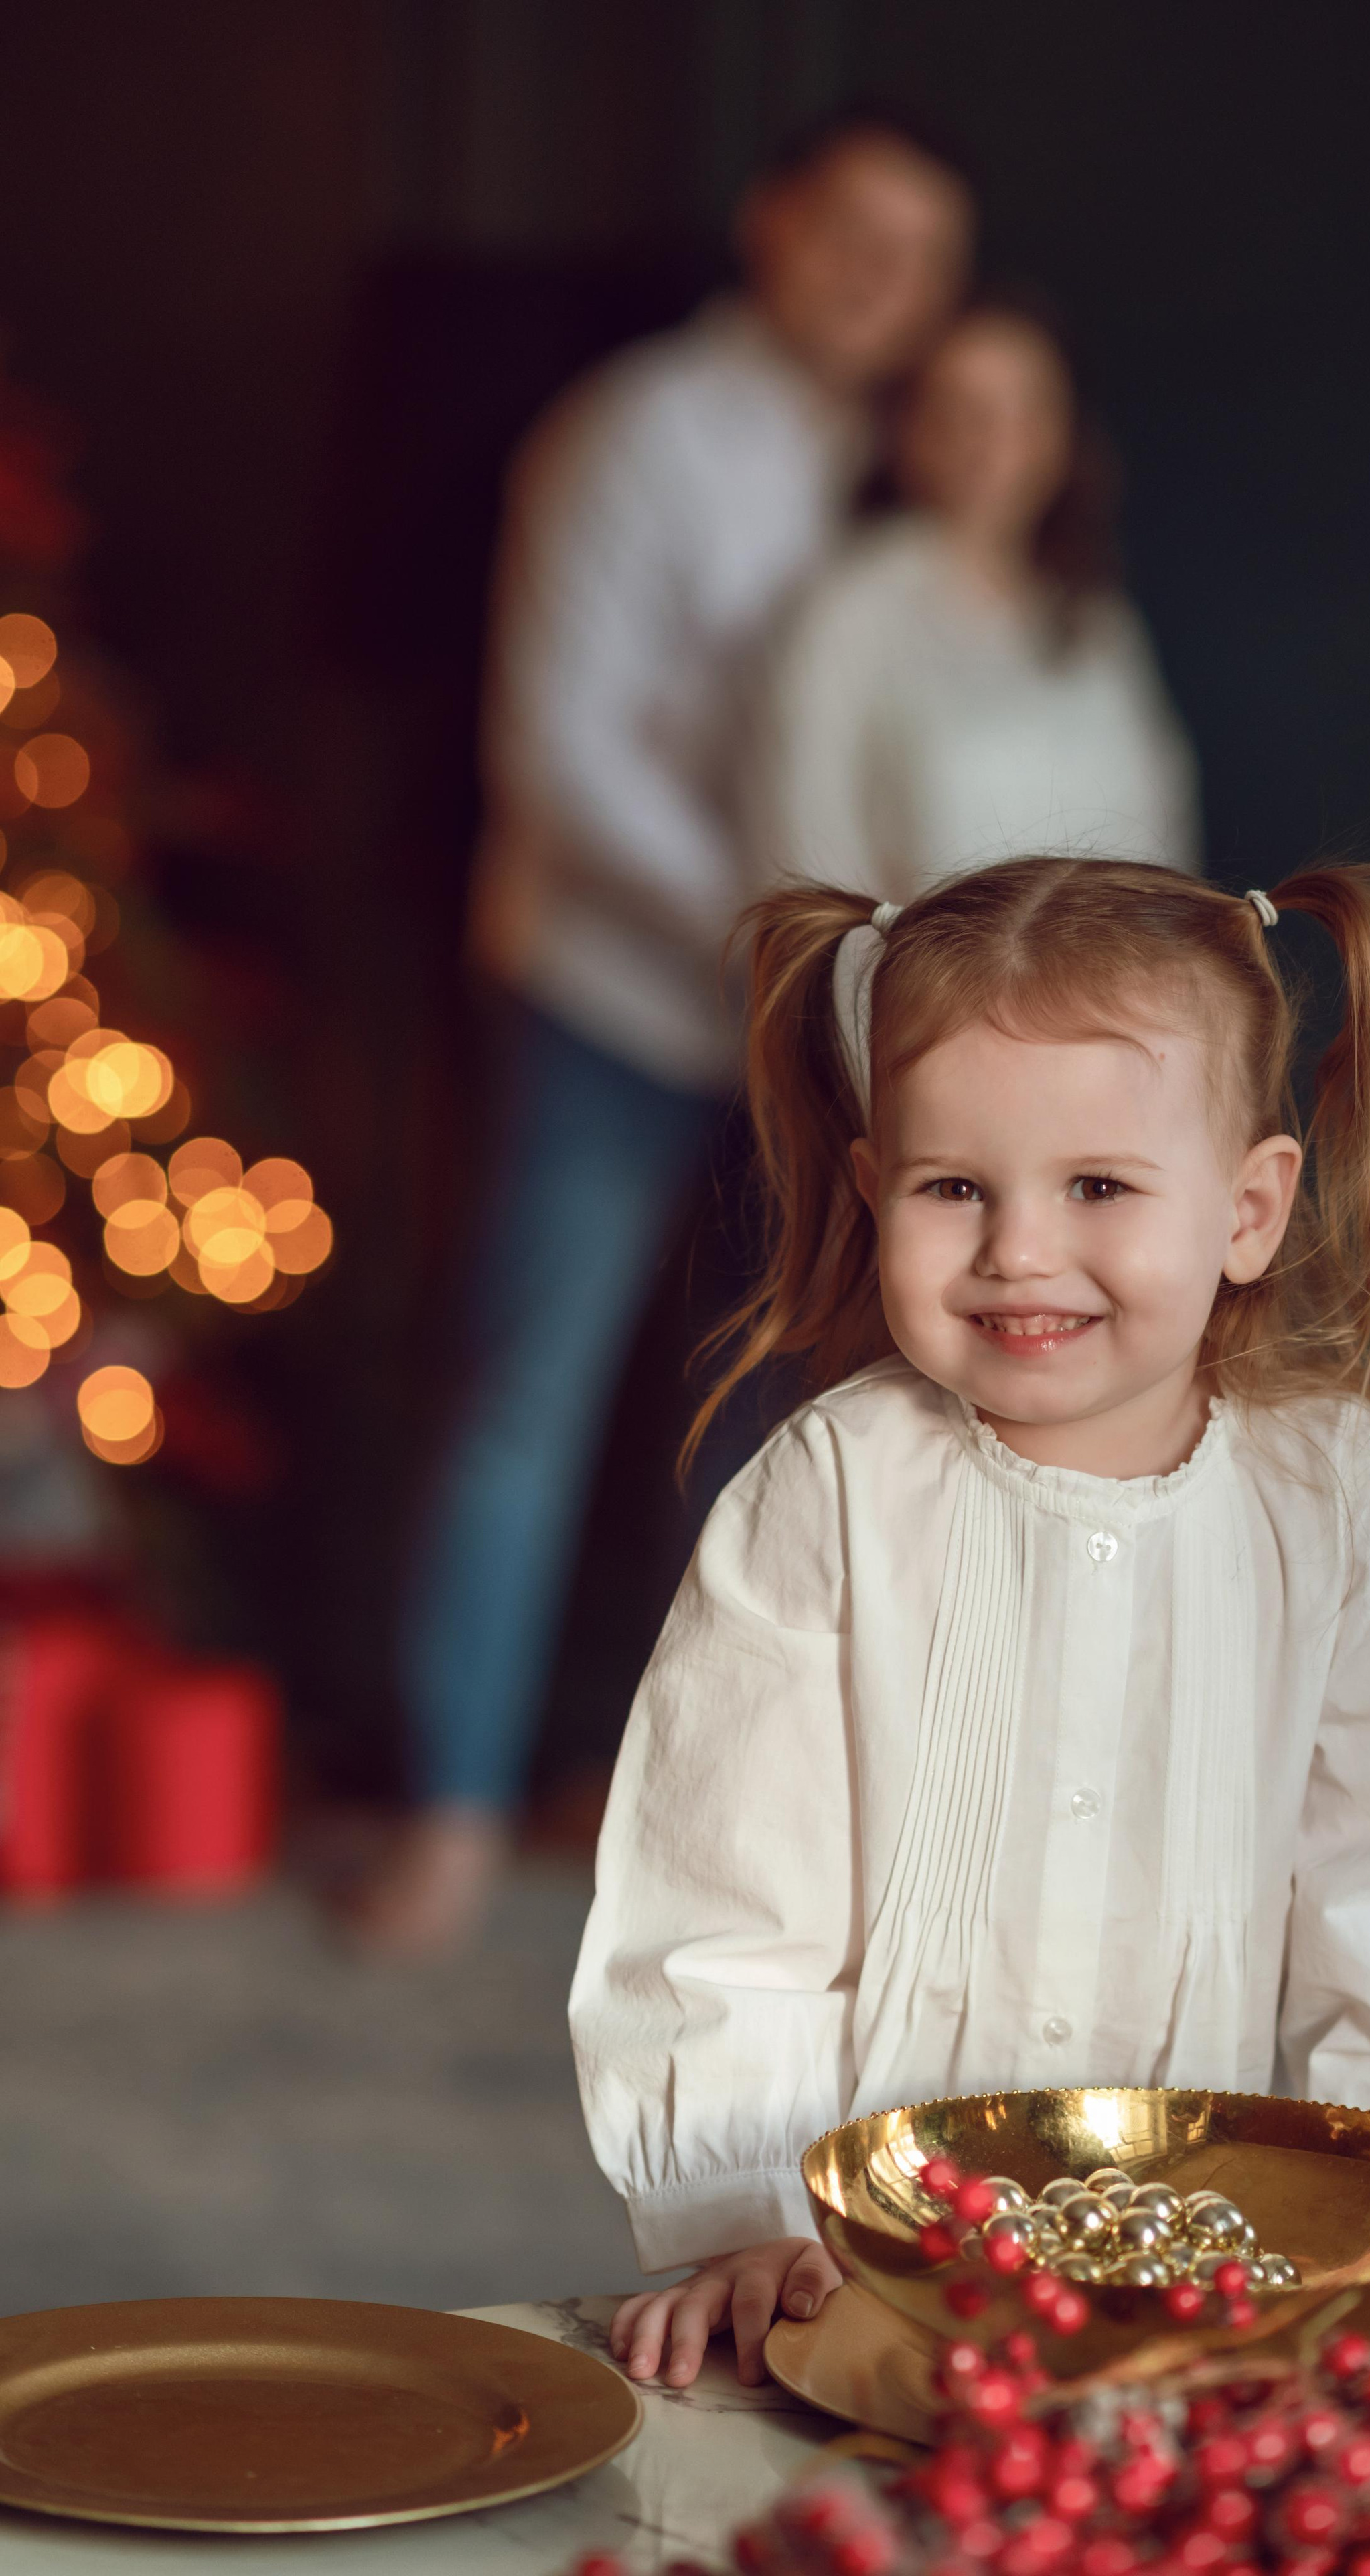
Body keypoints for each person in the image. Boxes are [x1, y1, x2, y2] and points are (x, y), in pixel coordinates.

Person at [570, 854, 1370, 2379]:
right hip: (879, 2270)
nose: (1018, 1250)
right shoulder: (830, 1489)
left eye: (1097, 1186)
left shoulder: (1332, 1492)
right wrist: (743, 2209)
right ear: (873, 1191)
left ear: (1247, 1207)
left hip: (1223, 2268)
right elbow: (722, 1892)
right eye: (952, 1188)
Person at [357, 117, 974, 1955]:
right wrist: (787, 937)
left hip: (817, 1039)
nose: (882, 279)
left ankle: (695, 1840)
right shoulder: (637, 433)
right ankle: (444, 1806)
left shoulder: (912, 465)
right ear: (770, 226)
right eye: (853, 232)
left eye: (920, 253)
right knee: (524, 1403)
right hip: (615, 1000)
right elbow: (556, 760)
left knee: (756, 1427)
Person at [747, 300, 1200, 901]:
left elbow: (1165, 828)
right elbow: (806, 865)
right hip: (923, 990)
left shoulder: (1098, 620)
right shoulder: (846, 613)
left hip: (1111, 986)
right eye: (961, 409)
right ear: (908, 428)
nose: (992, 439)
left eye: (1023, 408)